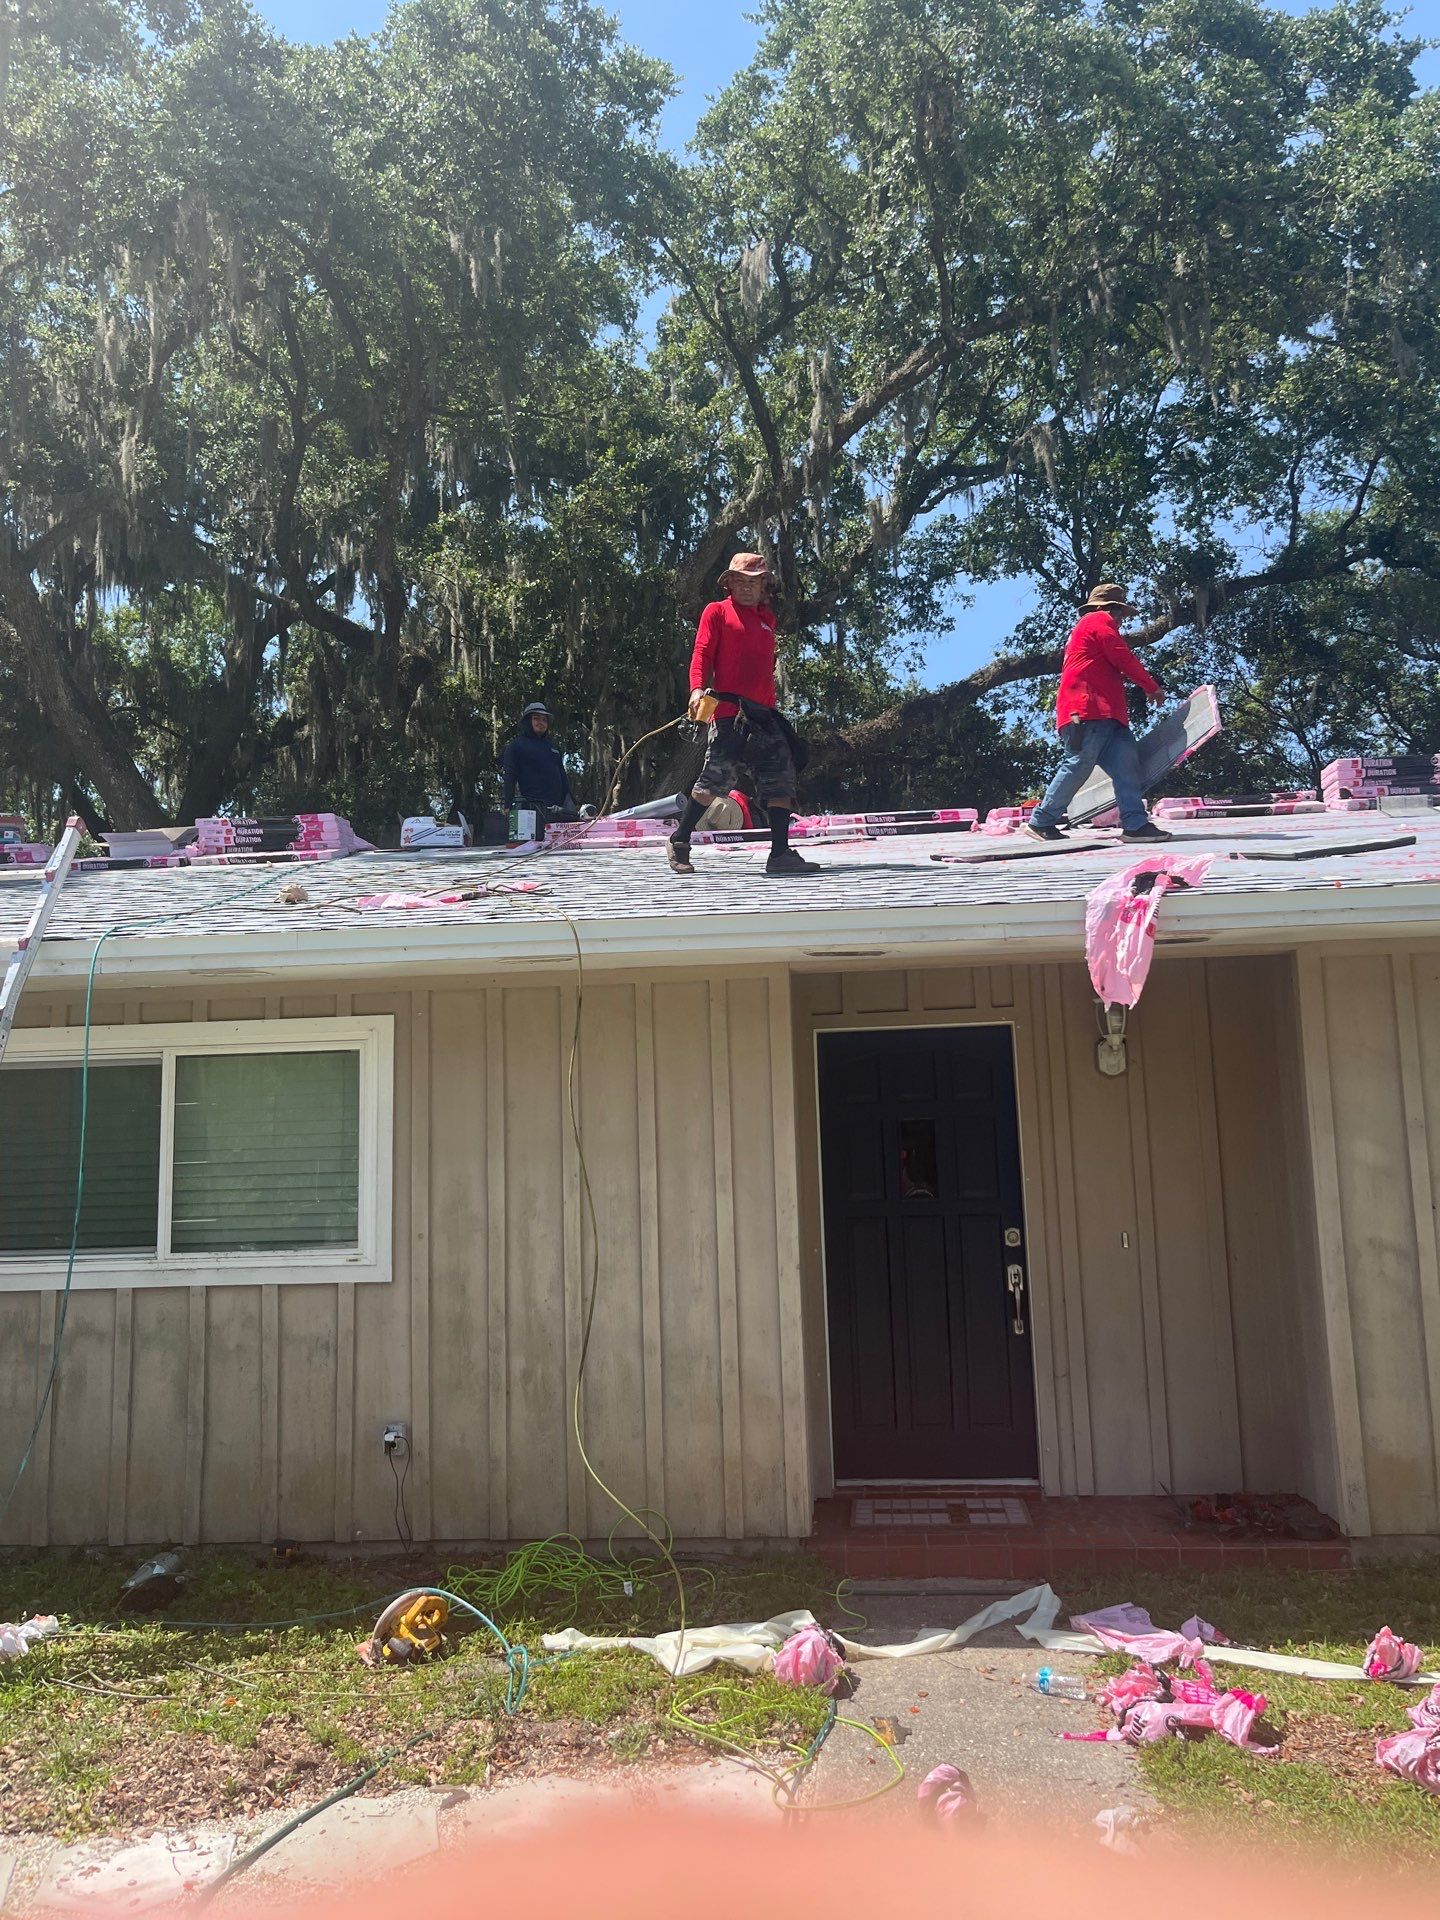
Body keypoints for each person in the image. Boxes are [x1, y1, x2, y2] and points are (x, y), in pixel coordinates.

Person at [667, 552, 817, 877]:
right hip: (729, 712)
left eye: (755, 582)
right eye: (741, 581)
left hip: (764, 716)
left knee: (781, 780)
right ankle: (680, 840)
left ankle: (780, 854)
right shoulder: (717, 611)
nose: (748, 587)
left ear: (764, 586)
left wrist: (771, 711)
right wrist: (696, 689)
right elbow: (702, 653)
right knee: (714, 779)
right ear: (730, 583)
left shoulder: (767, 621)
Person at [1025, 584, 1172, 844]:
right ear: (1110, 608)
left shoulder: (1087, 627)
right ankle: (1042, 821)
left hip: (1108, 715)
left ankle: (1135, 825)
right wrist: (1151, 687)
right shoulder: (1097, 620)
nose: (1121, 620)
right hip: (1086, 710)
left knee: (1128, 768)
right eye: (1121, 613)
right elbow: (1122, 657)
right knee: (1078, 764)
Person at [500, 702, 578, 821]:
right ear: (527, 721)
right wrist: (507, 805)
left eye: (544, 720)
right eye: (536, 718)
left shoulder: (553, 747)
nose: (541, 723)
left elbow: (563, 777)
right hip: (531, 809)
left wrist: (573, 803)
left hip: (558, 810)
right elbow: (510, 776)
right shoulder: (516, 746)